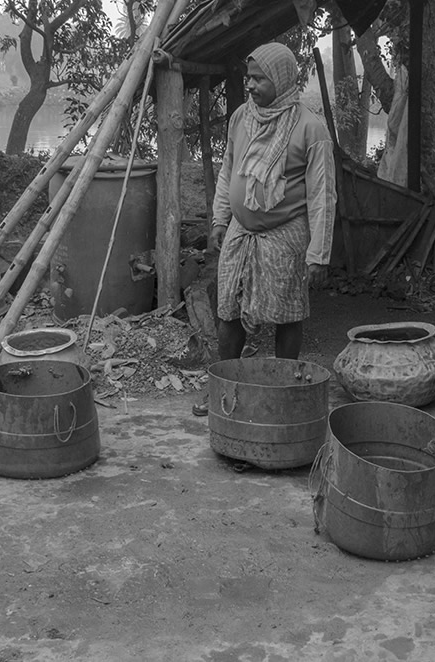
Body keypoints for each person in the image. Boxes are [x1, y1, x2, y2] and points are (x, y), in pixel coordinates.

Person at [193, 41, 337, 416]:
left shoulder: (311, 129)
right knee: (228, 308)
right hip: (241, 231)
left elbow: (323, 195)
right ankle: (225, 387)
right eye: (249, 77)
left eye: (259, 79)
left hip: (286, 232)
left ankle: (283, 391)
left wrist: (318, 254)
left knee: (286, 312)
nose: (251, 85)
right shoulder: (241, 117)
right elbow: (229, 171)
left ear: (283, 79)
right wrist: (220, 219)